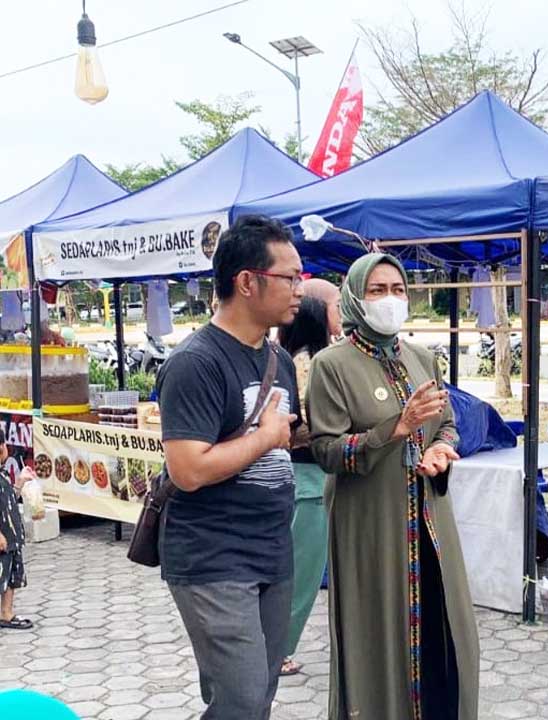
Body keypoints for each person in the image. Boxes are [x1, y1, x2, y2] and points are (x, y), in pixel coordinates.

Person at [307, 253, 479, 720]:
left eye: (398, 290)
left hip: (429, 521)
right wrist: (394, 429)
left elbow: (446, 424)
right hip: (369, 526)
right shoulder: (332, 366)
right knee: (378, 636)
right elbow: (325, 450)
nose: (390, 300)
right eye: (377, 290)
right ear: (355, 298)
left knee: (446, 634)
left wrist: (441, 448)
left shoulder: (422, 358)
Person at [156, 214, 302, 720]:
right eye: (289, 277)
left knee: (257, 695)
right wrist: (264, 439)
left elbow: (288, 438)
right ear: (247, 281)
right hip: (214, 556)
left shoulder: (276, 360)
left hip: (272, 549)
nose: (298, 290)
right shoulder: (196, 362)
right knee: (239, 700)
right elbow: (188, 469)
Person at [276, 295, 332, 676]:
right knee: (303, 574)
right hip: (312, 477)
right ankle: (279, 649)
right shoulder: (313, 365)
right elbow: (308, 425)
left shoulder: (282, 359)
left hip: (299, 477)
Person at [0, 443, 33, 631]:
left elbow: (9, 499)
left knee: (10, 575)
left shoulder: (3, 473)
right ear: (3, 448)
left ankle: (6, 612)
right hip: (3, 536)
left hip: (11, 537)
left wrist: (20, 482)